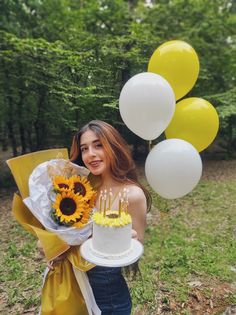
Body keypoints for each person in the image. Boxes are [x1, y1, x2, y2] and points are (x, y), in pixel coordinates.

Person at [70, 120, 151, 315]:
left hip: (108, 300)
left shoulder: (132, 195)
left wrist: (124, 239)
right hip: (72, 291)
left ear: (113, 146)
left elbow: (136, 245)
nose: (91, 154)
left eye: (98, 145)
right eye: (84, 148)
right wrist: (52, 248)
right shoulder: (76, 188)